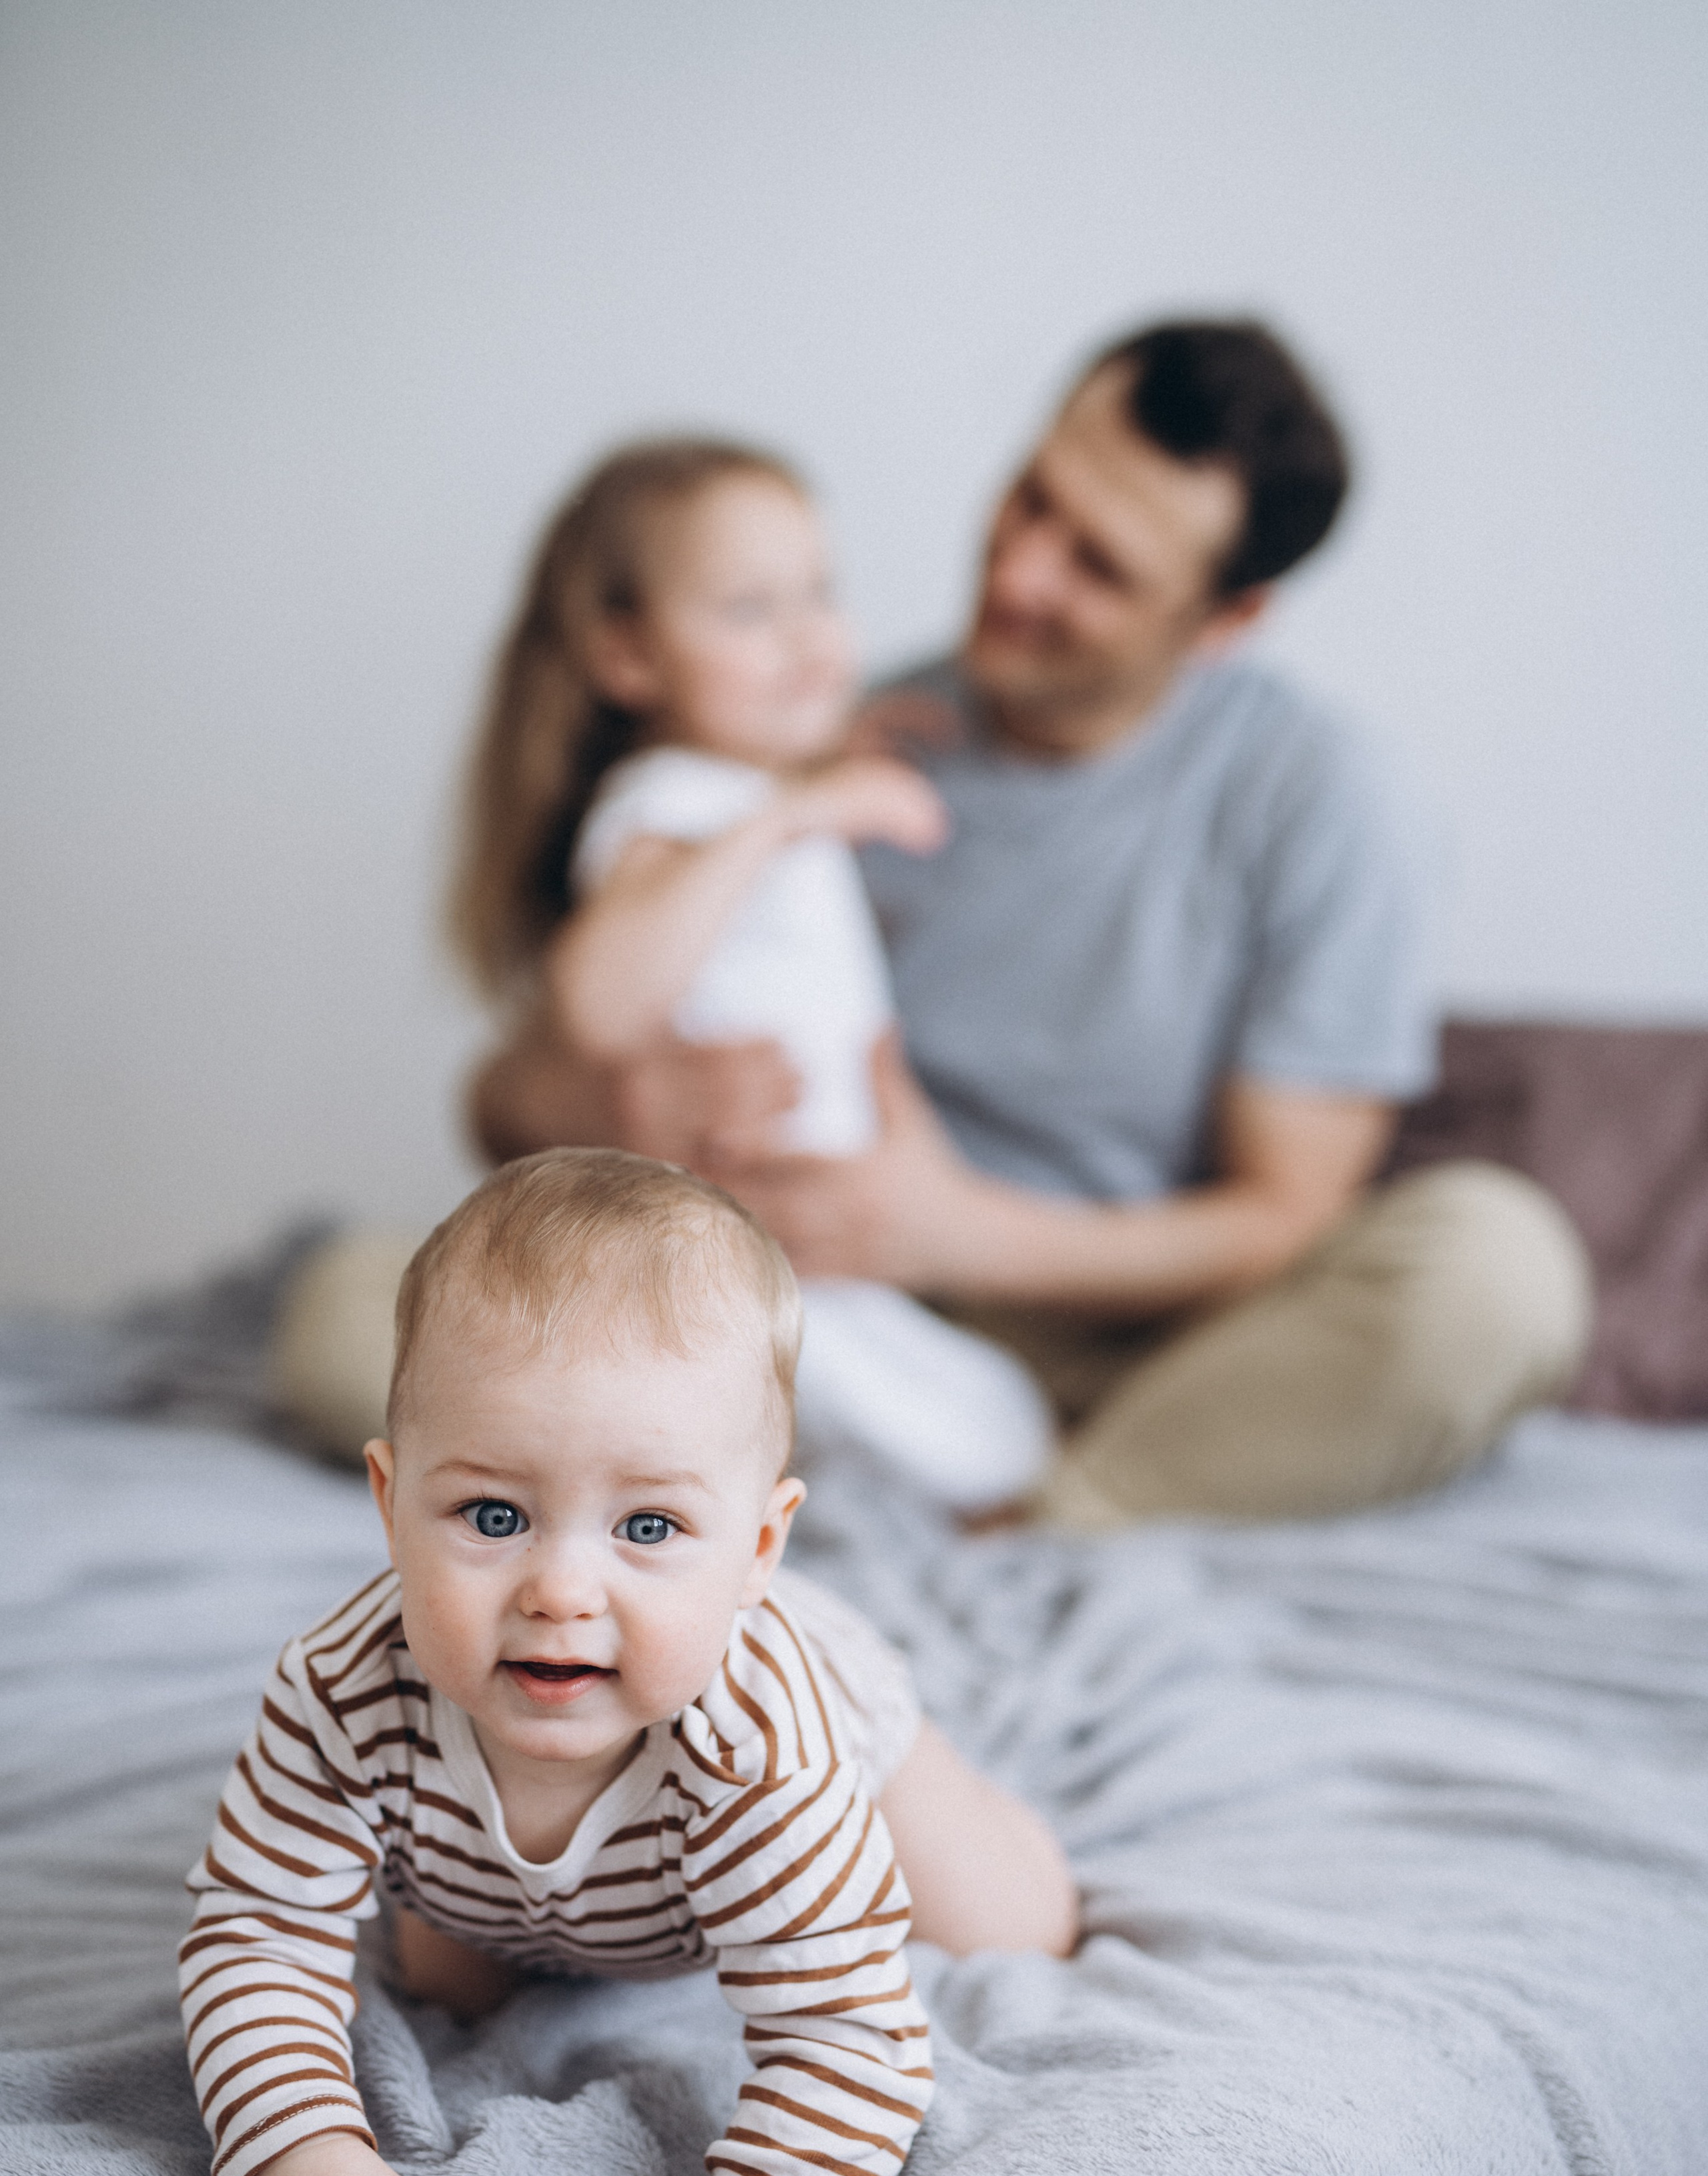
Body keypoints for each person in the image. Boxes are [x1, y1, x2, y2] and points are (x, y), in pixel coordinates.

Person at [458, 318, 1592, 1525]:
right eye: (1033, 499)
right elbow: (510, 1094)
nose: (1021, 577)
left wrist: (948, 1231)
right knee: (370, 1309)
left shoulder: (1325, 801)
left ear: (1225, 620)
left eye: (1099, 566)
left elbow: (1286, 1214)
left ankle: (1053, 1513)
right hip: (820, 1299)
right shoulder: (828, 736)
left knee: (1499, 1274)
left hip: (1158, 1355)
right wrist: (620, 1109)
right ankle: (914, 1483)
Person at [189, 1148, 1077, 2176]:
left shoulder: (766, 1750)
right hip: (492, 1871)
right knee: (452, 1987)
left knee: (1018, 1923)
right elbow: (258, 1936)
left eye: (648, 1526)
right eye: (494, 1516)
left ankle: (948, 1803)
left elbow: (847, 2049)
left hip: (828, 1734)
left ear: (758, 1548)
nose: (561, 1590)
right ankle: (538, 1899)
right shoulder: (340, 1691)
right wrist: (310, 2161)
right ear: (390, 1505)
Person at [458, 434, 1051, 1508]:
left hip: (830, 1241)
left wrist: (815, 772)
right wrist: (793, 812)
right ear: (629, 657)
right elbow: (596, 1004)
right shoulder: (663, 807)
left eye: (820, 592)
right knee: (960, 1448)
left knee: (999, 1415)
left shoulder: (740, 793)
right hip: (741, 1248)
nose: (809, 636)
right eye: (748, 609)